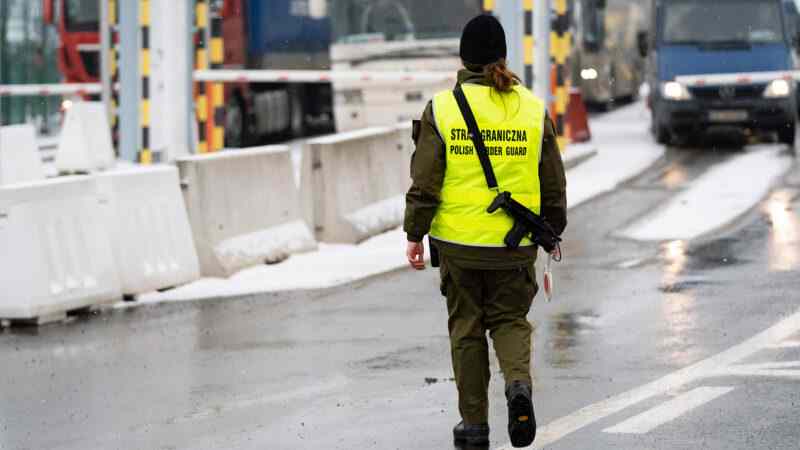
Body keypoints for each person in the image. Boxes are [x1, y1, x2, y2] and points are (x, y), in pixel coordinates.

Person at [403, 14, 567, 448]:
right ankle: (518, 387)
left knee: (467, 330)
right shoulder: (532, 109)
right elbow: (553, 181)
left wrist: (414, 234)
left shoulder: (442, 109)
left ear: (463, 58)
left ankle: (474, 426)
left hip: (458, 246)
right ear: (503, 55)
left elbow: (425, 181)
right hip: (514, 246)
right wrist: (553, 228)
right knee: (511, 320)